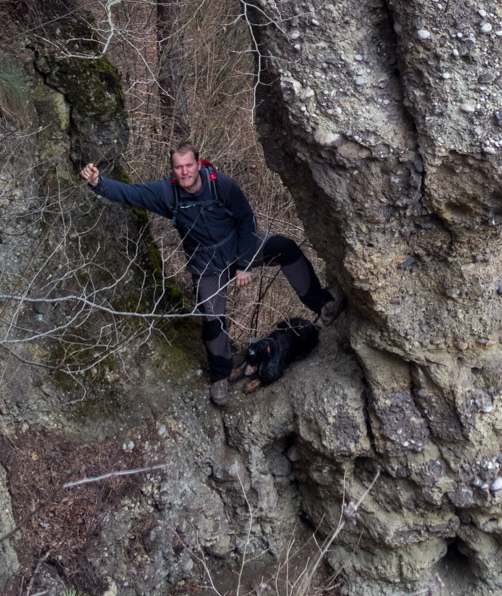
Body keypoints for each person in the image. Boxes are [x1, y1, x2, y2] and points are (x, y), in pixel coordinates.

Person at [80, 144, 337, 406]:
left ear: (199, 164)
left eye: (189, 165)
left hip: (238, 247)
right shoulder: (167, 193)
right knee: (213, 321)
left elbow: (247, 220)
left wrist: (245, 264)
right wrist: (98, 182)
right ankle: (220, 376)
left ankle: (323, 304)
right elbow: (130, 193)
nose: (185, 172)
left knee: (287, 249)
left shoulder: (221, 185)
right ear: (173, 170)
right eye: (179, 167)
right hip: (206, 265)